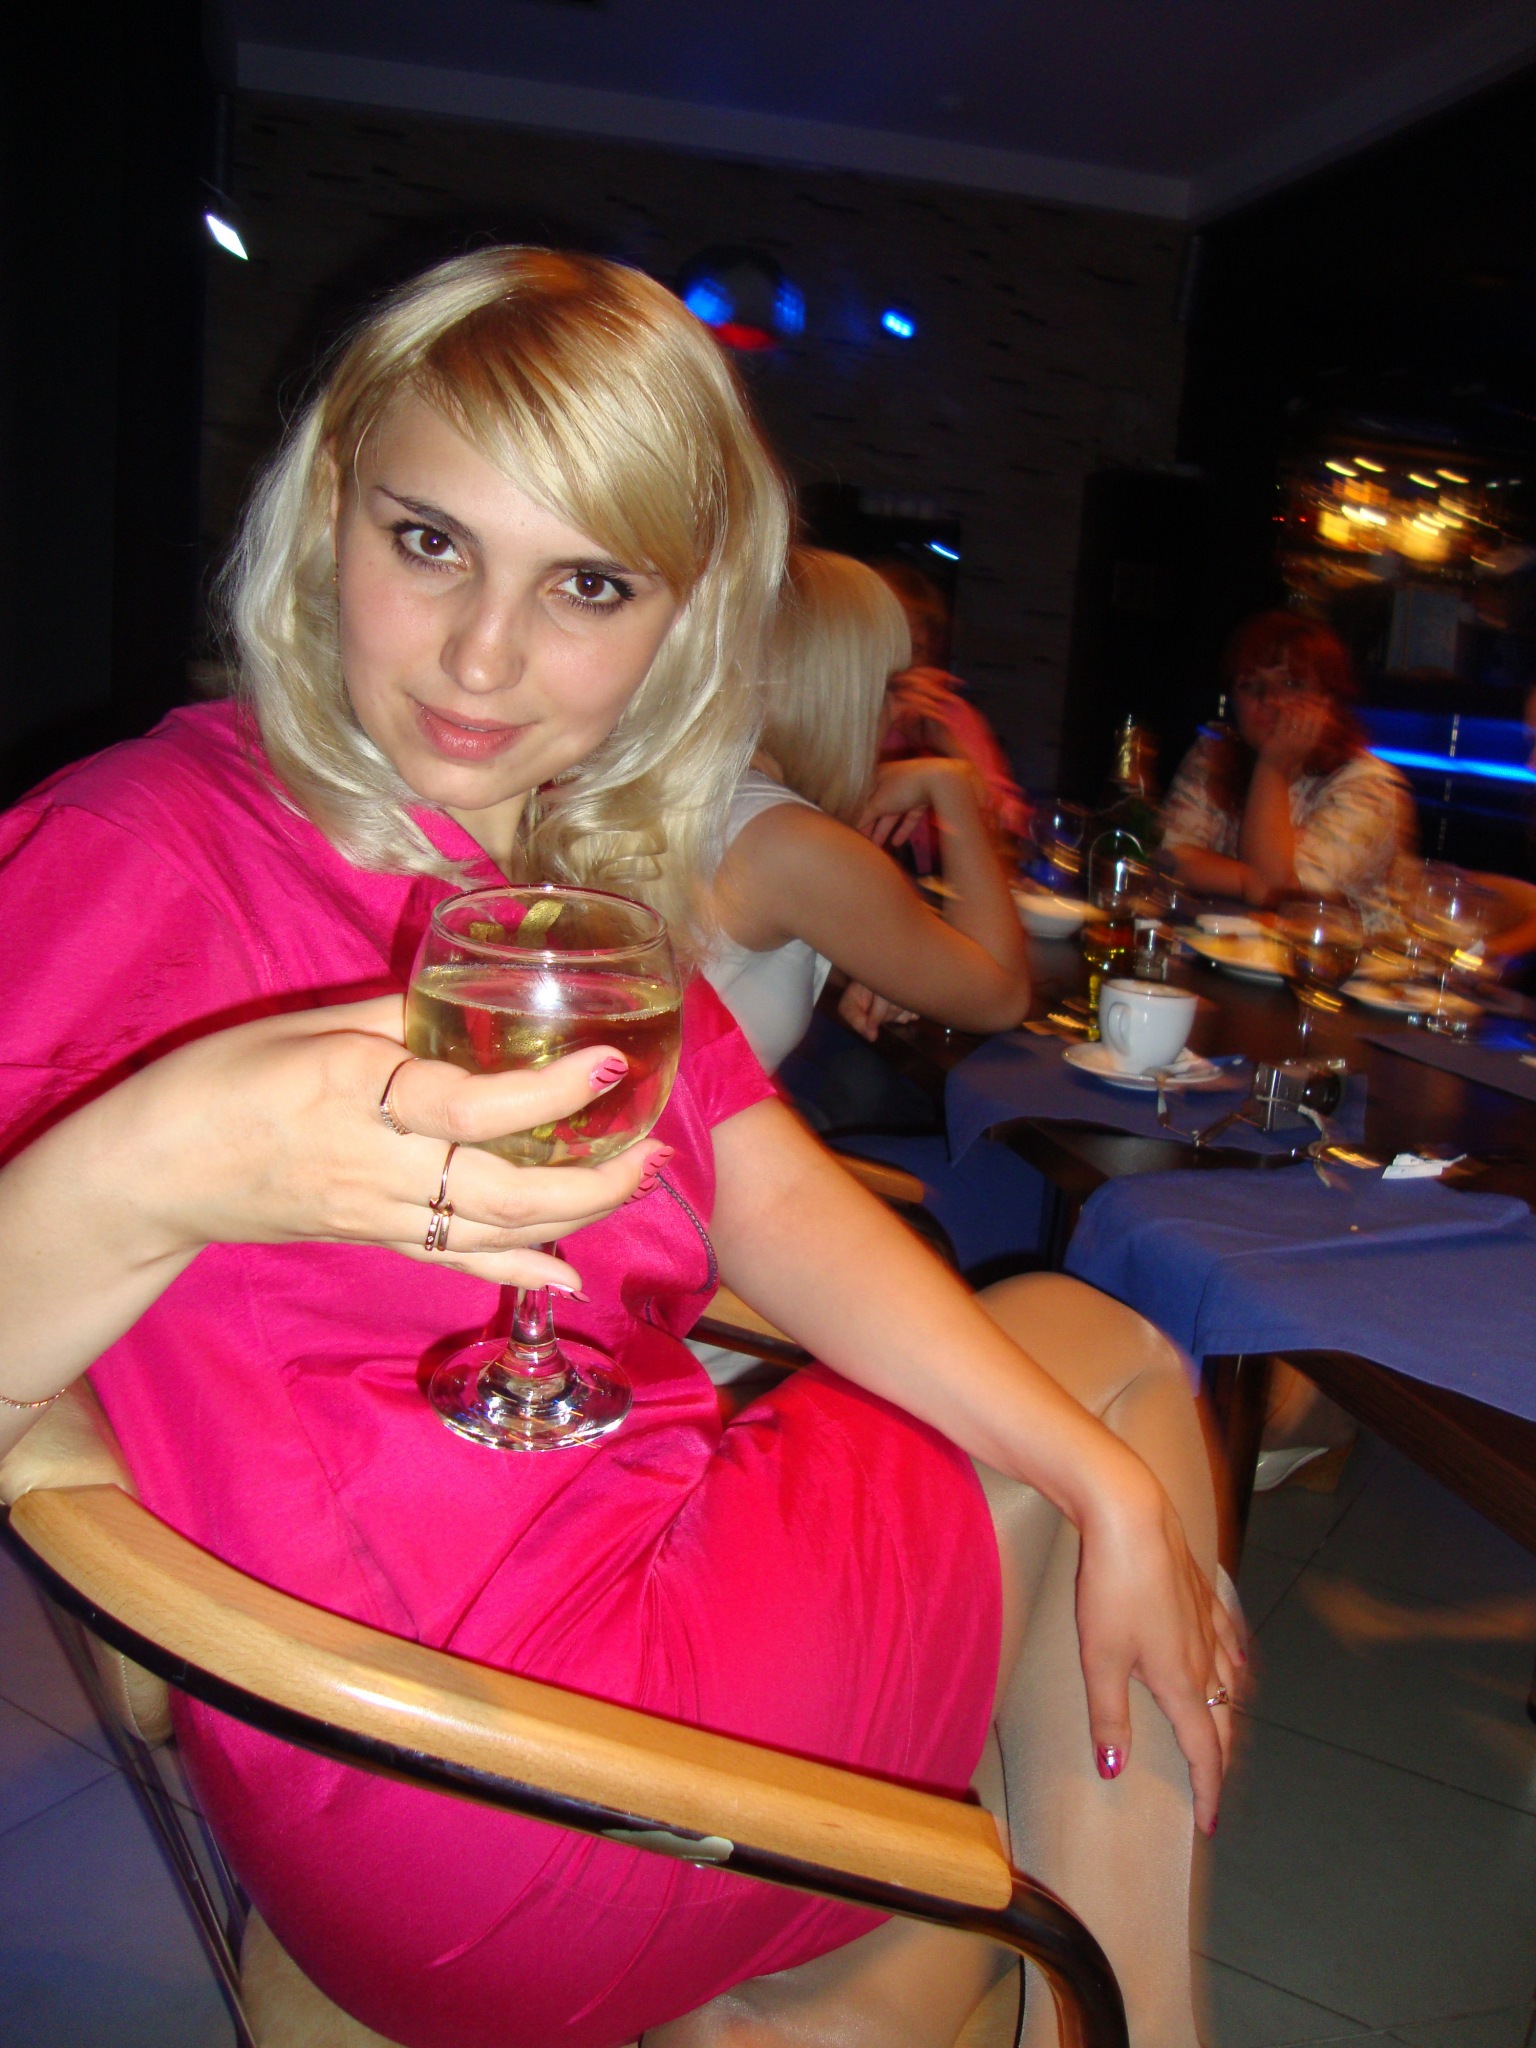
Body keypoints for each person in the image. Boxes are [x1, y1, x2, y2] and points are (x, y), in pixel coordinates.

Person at [0, 248, 1238, 2048]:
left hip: (469, 1735)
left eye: (586, 582)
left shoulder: (559, 900)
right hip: (479, 1761)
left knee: (1080, 1458)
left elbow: (786, 1205)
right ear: (328, 511)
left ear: (684, 619)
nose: (483, 655)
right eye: (429, 541)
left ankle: (840, 1991)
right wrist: (147, 1166)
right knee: (1109, 1358)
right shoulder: (138, 846)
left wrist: (1110, 1491)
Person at [705, 547, 1032, 1072]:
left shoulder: (722, 793)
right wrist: (953, 787)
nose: (894, 710)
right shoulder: (793, 841)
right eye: (889, 687)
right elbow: (1002, 998)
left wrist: (881, 964)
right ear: (837, 694)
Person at [1162, 611, 1415, 912]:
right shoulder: (1215, 752)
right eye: (1250, 686)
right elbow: (1169, 857)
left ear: (1328, 700)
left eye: (1291, 683)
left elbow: (1280, 895)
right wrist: (1248, 880)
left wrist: (1272, 767)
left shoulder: (1371, 787)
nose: (1270, 700)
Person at [875, 561, 1031, 854]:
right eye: (892, 646)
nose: (903, 664)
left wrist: (948, 746)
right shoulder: (834, 714)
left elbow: (1008, 833)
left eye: (916, 649)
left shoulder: (951, 715)